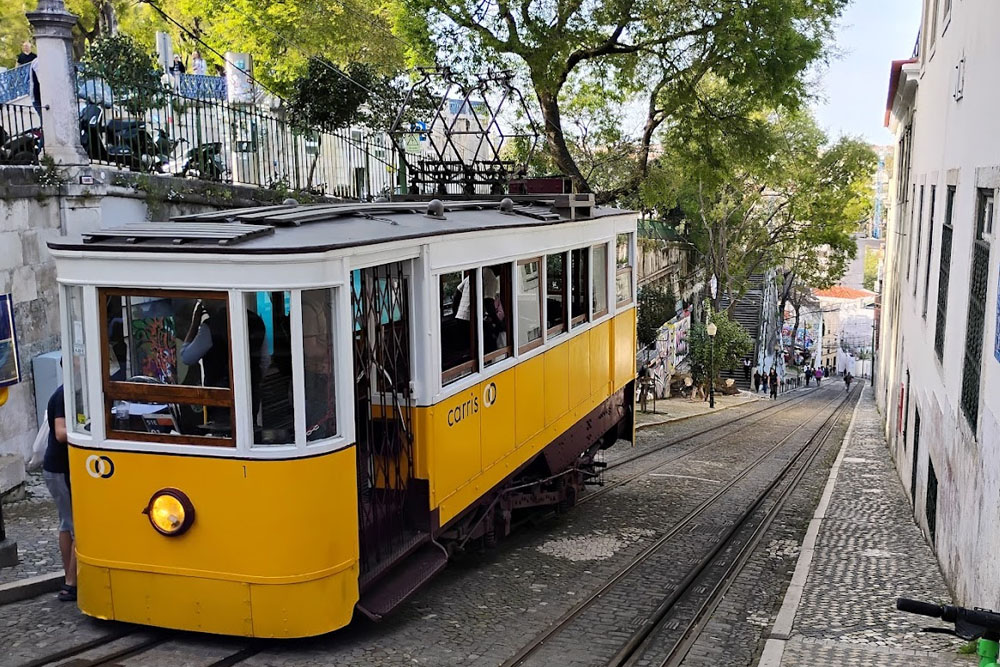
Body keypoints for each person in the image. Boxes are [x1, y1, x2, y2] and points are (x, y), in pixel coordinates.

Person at [42, 383, 77, 601]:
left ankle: (69, 578)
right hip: (59, 469)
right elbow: (60, 433)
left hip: (57, 468)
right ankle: (72, 584)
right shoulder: (65, 394)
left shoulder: (71, 391)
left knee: (67, 523)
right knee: (77, 526)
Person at [16, 41, 42, 119]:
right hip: (25, 77)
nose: (25, 47)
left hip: (31, 77)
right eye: (24, 46)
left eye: (27, 46)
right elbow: (17, 65)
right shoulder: (21, 56)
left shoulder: (34, 56)